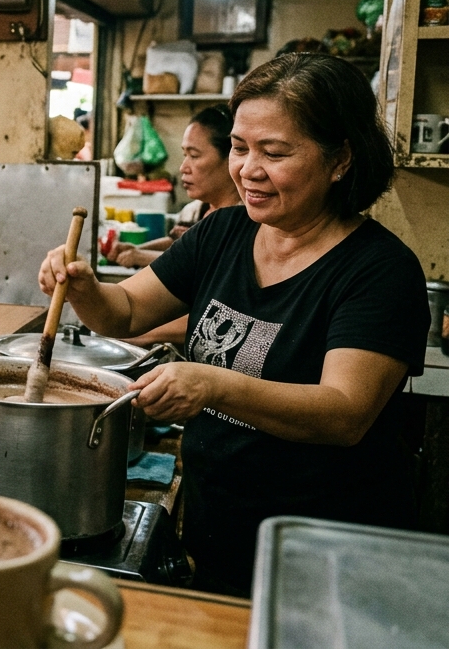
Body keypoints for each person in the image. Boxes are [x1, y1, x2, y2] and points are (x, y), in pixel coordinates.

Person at [38, 53, 427, 597]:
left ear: (340, 158)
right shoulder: (222, 232)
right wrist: (84, 289)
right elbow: (124, 312)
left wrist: (213, 384)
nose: (248, 169)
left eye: (275, 152)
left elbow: (345, 413)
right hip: (221, 530)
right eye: (241, 148)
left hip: (330, 555)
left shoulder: (379, 271)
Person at [109, 105, 241, 269]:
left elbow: (203, 263)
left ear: (230, 159)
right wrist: (137, 249)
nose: (183, 168)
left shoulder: (244, 219)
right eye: (185, 155)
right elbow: (177, 245)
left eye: (194, 156)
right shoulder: (194, 211)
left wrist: (141, 256)